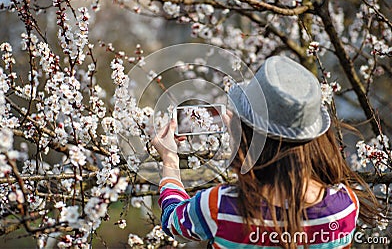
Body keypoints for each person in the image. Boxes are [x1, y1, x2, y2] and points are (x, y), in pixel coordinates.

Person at [152, 56, 381, 248]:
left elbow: (174, 221)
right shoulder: (344, 208)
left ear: (250, 135)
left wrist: (170, 160)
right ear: (317, 137)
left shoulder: (218, 207)